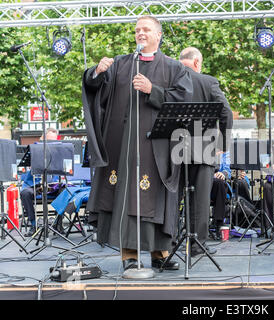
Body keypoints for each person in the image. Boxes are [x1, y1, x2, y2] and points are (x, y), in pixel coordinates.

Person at [81, 16, 193, 273]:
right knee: (127, 198)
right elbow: (95, 87)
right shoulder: (121, 63)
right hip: (124, 149)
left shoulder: (174, 68)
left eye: (146, 29)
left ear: (158, 35)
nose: (140, 33)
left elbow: (183, 100)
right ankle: (129, 256)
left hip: (158, 150)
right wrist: (97, 72)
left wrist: (153, 89)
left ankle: (159, 254)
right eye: (137, 30)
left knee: (156, 199)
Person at [178, 47, 233, 255]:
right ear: (197, 62)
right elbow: (226, 112)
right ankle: (197, 245)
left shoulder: (169, 82)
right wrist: (223, 144)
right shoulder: (208, 82)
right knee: (200, 200)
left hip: (173, 149)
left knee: (173, 200)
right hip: (203, 149)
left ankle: (170, 244)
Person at [20, 128, 61, 237]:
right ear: (42, 139)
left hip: (52, 186)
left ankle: (59, 223)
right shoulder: (35, 149)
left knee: (65, 191)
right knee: (25, 193)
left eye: (53, 141)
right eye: (48, 140)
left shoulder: (60, 151)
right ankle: (33, 224)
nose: (51, 144)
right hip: (36, 185)